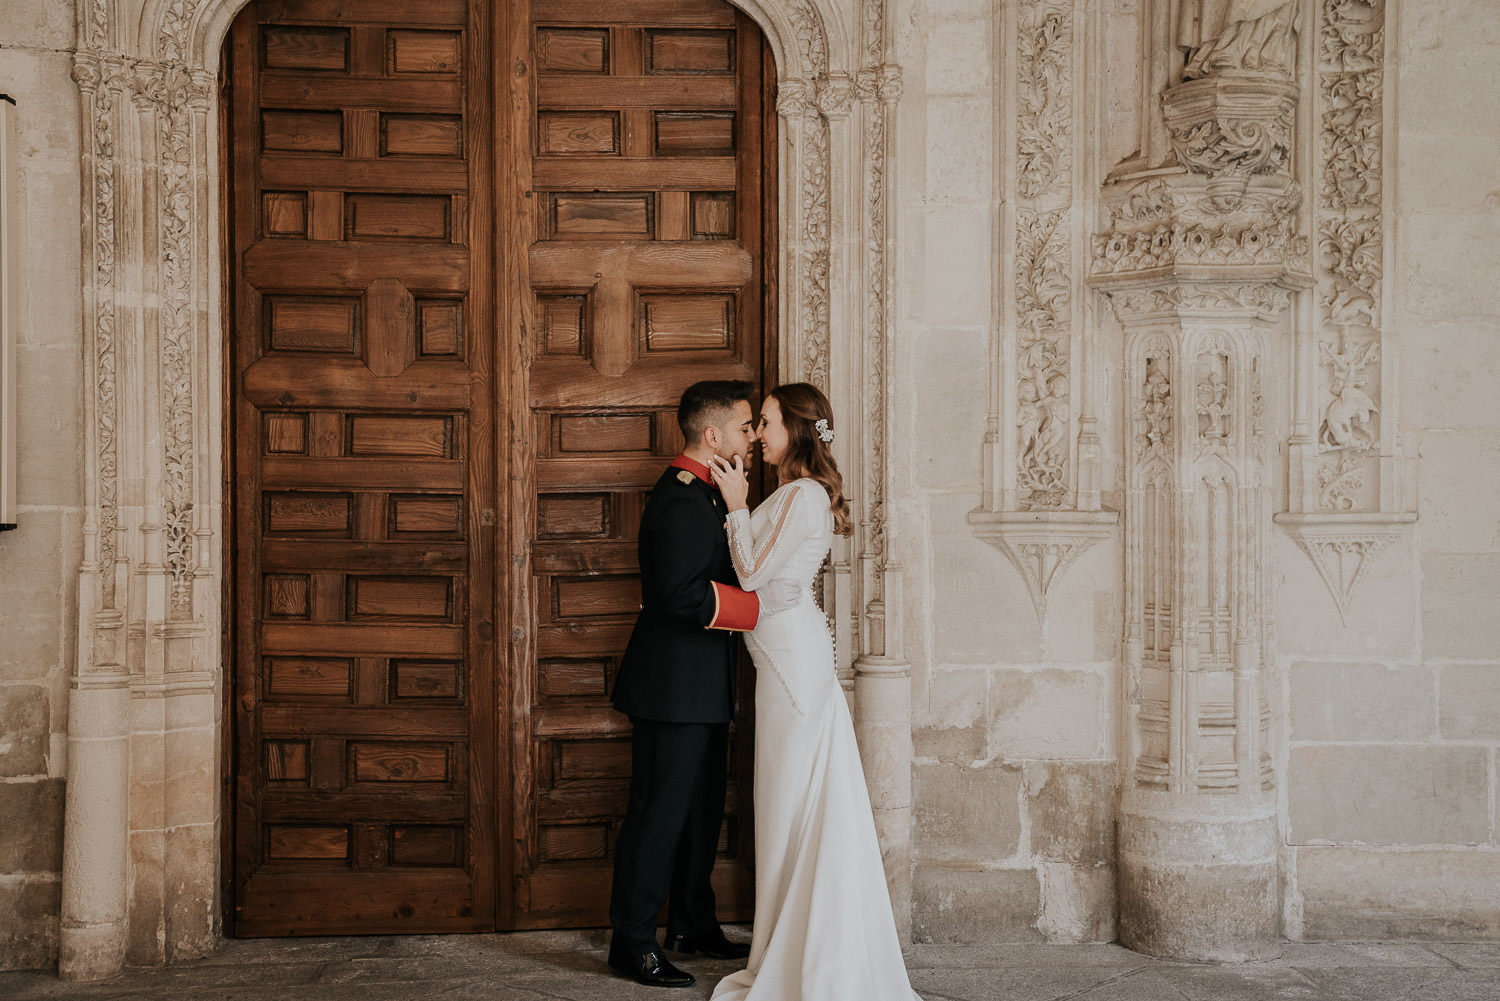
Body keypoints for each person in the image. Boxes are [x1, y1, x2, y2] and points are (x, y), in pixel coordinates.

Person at [706, 383, 922, 1001]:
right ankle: (786, 942)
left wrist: (735, 502)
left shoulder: (801, 495)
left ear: (796, 431)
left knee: (790, 804)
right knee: (785, 804)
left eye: (766, 422)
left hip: (791, 668)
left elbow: (750, 573)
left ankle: (800, 953)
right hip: (780, 659)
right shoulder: (794, 493)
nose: (757, 434)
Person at [608, 380, 802, 989]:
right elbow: (679, 593)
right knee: (659, 814)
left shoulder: (709, 494)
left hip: (702, 685)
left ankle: (692, 921)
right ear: (712, 435)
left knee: (698, 811)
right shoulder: (681, 497)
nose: (753, 436)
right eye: (747, 426)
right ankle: (632, 942)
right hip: (671, 688)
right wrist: (761, 608)